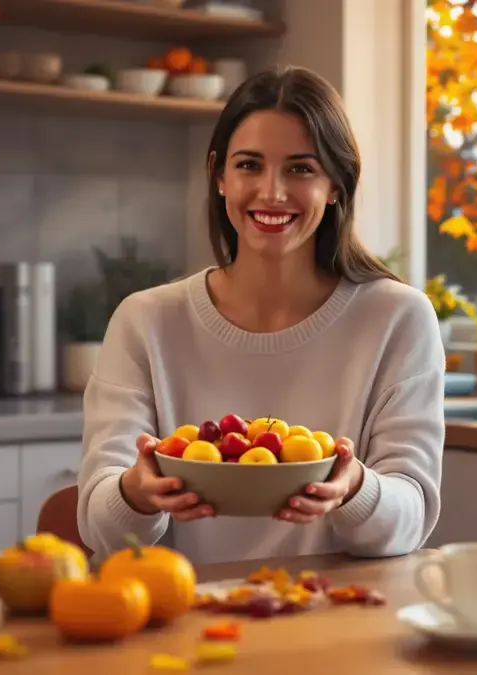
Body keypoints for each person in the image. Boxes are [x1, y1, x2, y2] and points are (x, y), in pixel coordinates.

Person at [76, 66, 445, 565]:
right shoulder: (145, 321)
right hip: (179, 617)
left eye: (300, 169)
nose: (272, 192)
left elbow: (411, 521)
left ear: (336, 184)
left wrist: (354, 486)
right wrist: (136, 494)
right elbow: (102, 529)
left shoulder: (397, 318)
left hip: (333, 619)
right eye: (249, 165)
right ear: (219, 176)